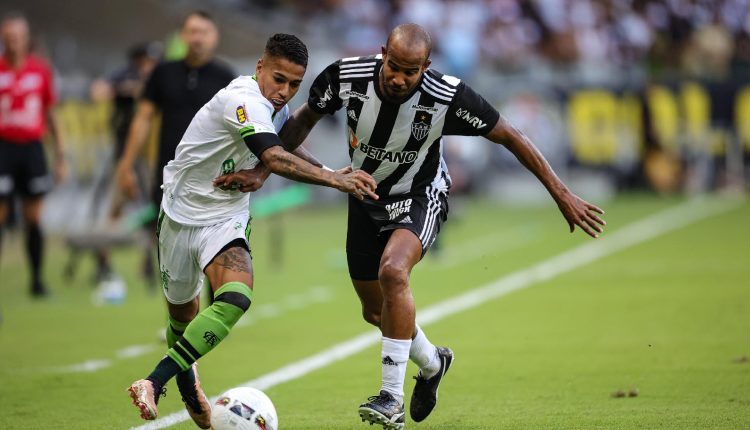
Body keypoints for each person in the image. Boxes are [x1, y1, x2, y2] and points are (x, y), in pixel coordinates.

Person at [276, 23, 607, 429]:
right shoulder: (345, 76)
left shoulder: (447, 95)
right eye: (393, 66)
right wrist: (262, 169)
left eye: (410, 71)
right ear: (383, 53)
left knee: (393, 272)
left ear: (426, 67)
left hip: (419, 194)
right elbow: (302, 121)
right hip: (363, 195)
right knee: (376, 312)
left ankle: (390, 399)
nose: (398, 78)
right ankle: (434, 364)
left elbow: (511, 135)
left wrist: (562, 194)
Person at [126, 34, 378, 428]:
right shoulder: (241, 99)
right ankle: (188, 384)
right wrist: (336, 182)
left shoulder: (273, 104)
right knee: (182, 316)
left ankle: (153, 383)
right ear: (260, 67)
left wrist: (329, 171)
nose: (285, 92)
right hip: (179, 214)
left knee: (235, 298)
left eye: (295, 84)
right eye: (279, 79)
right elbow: (273, 156)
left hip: (225, 215)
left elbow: (284, 142)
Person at [116, 10, 236, 281]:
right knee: (173, 261)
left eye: (203, 32)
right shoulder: (163, 73)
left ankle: (209, 320)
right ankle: (181, 319)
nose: (197, 38)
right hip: (170, 177)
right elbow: (143, 118)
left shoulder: (225, 77)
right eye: (192, 32)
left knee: (215, 255)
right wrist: (126, 166)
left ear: (214, 37)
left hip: (214, 178)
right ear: (183, 36)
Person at [0, 11, 65, 297]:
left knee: (33, 218)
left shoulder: (40, 71)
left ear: (26, 39)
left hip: (32, 149)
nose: (14, 42)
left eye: (18, 37)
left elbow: (51, 113)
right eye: (9, 37)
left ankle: (37, 280)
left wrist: (61, 154)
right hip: (3, 148)